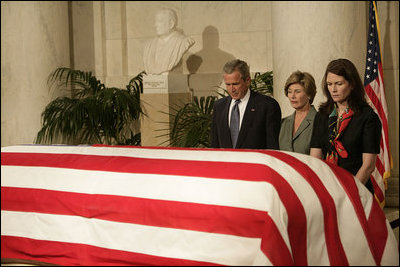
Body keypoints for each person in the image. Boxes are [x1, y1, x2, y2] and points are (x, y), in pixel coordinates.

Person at [310, 58, 382, 194]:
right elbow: (315, 159)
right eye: (329, 84)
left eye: (339, 83)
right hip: (328, 188)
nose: (333, 89)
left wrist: (349, 193)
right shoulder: (322, 115)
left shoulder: (367, 117)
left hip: (357, 190)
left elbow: (368, 166)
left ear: (352, 84)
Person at [211, 59, 281, 149]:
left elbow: (272, 146)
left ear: (247, 81)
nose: (232, 89)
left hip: (255, 162)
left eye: (235, 84)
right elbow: (215, 145)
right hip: (226, 162)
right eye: (228, 84)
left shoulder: (267, 105)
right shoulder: (219, 106)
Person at [143, 8, 195, 75]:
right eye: (155, 21)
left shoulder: (182, 42)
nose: (155, 25)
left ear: (171, 24)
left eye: (159, 21)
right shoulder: (149, 45)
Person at [279, 71, 317, 154]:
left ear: (309, 94)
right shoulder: (283, 123)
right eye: (289, 92)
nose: (292, 96)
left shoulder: (318, 121)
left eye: (297, 91)